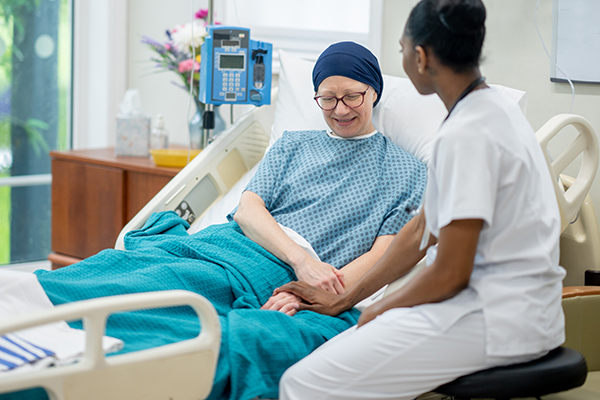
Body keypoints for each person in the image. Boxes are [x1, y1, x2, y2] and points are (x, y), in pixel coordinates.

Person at [10, 42, 426, 400]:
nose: (340, 109)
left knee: (174, 320)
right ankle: (19, 315)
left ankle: (66, 368)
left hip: (288, 277)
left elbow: (384, 253)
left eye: (352, 96)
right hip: (229, 246)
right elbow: (248, 210)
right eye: (327, 98)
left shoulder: (407, 171)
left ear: (374, 92)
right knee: (120, 275)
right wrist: (301, 260)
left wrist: (314, 291)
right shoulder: (294, 145)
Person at [277, 1, 566, 399]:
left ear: (420, 56)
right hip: (521, 311)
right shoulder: (492, 109)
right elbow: (421, 229)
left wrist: (379, 309)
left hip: (492, 321)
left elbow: (450, 273)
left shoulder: (467, 132)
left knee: (301, 383)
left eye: (401, 49)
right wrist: (345, 299)